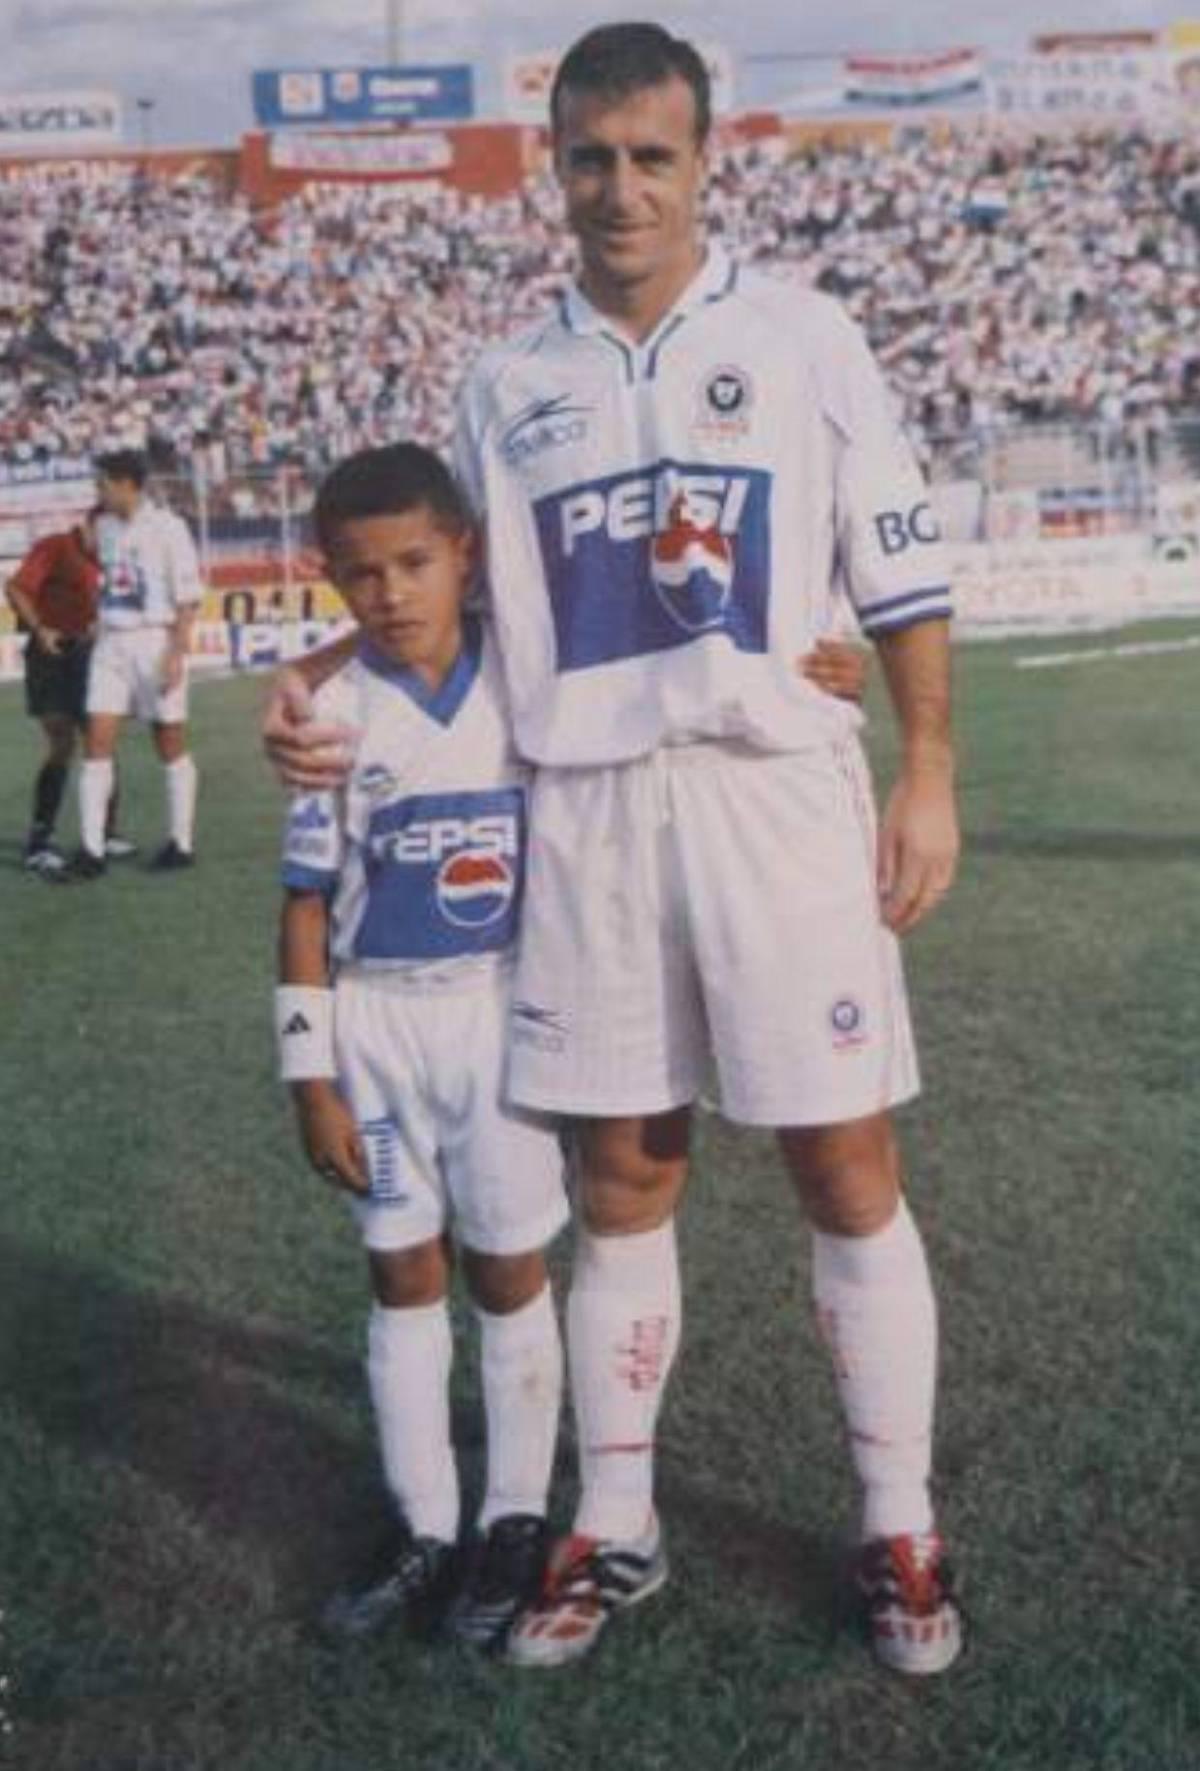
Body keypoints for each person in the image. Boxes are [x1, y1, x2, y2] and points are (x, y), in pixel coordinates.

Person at [265, 21, 961, 1677]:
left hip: (771, 794)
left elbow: (899, 567)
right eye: (592, 158)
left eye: (654, 156)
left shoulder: (805, 336)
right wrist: (320, 681)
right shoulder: (507, 381)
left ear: (706, 162)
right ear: (552, 168)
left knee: (843, 1158)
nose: (622, 189)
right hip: (582, 811)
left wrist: (927, 764)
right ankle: (616, 1519)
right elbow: (448, 587)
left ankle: (899, 1524)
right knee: (621, 1176)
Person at [277, 442, 568, 1650]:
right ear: (330, 578)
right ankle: (425, 1526)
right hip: (378, 1026)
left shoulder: (529, 672)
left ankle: (513, 1518)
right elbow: (304, 907)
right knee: (402, 1269)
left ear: (466, 555)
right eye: (362, 573)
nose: (390, 592)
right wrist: (311, 1078)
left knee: (507, 1267)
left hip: (500, 1017)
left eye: (414, 562)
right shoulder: (331, 716)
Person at [63, 450, 202, 880]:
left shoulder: (169, 527)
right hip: (110, 644)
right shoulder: (104, 526)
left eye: (103, 483)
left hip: (154, 641)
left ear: (128, 484)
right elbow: (102, 569)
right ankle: (92, 850)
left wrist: (176, 654)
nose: (98, 491)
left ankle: (181, 842)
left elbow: (188, 598)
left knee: (169, 742)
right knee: (96, 743)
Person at [4, 514, 135, 876]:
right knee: (62, 743)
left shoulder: (109, 558)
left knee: (101, 741)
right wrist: (41, 629)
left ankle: (105, 833)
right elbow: (16, 589)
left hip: (92, 655)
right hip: (52, 655)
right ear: (89, 526)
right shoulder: (56, 546)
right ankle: (40, 840)